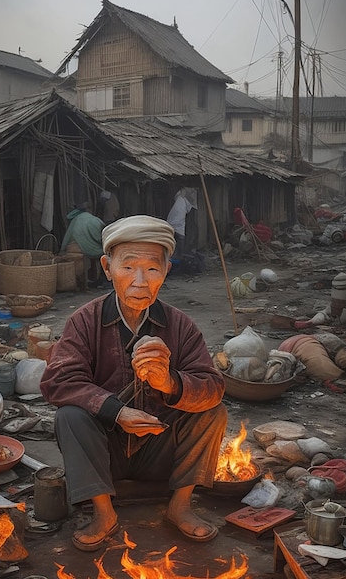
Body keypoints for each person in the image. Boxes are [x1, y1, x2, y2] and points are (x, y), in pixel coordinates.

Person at [40, 215, 227, 551]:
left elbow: (212, 386)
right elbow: (58, 381)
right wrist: (116, 412)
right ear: (107, 267)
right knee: (69, 416)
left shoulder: (180, 325)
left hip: (160, 451)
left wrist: (170, 383)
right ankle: (103, 513)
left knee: (213, 411)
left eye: (152, 269)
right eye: (128, 267)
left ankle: (180, 506)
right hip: (106, 452)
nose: (140, 281)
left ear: (166, 270)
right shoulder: (85, 321)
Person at [60, 204, 105, 287]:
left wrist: (62, 249)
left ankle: (87, 281)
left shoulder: (76, 219)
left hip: (76, 247)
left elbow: (67, 236)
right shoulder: (95, 220)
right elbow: (102, 237)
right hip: (93, 248)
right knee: (103, 255)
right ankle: (99, 278)